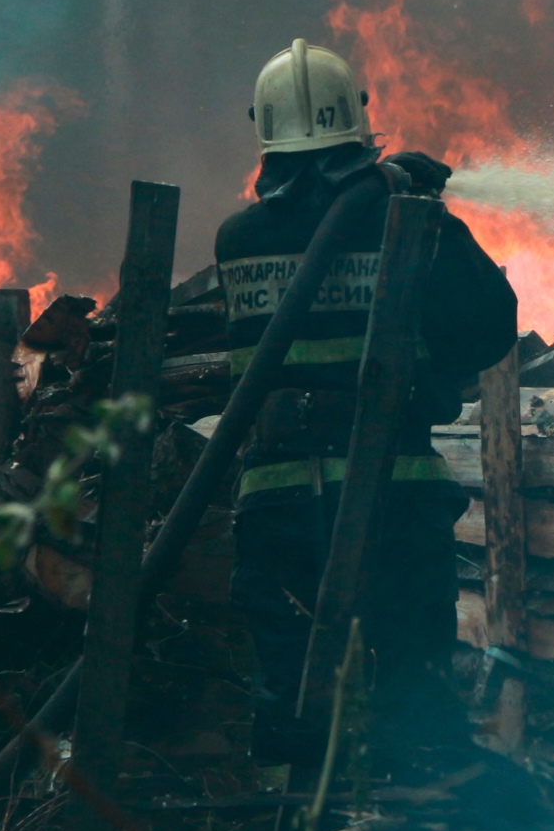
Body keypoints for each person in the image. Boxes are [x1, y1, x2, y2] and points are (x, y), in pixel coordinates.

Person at [219, 38, 517, 774]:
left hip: (278, 508)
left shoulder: (238, 240)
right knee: (411, 692)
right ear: (358, 124)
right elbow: (490, 325)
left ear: (266, 132)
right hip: (396, 499)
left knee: (292, 702)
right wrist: (427, 213)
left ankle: (295, 819)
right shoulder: (405, 222)